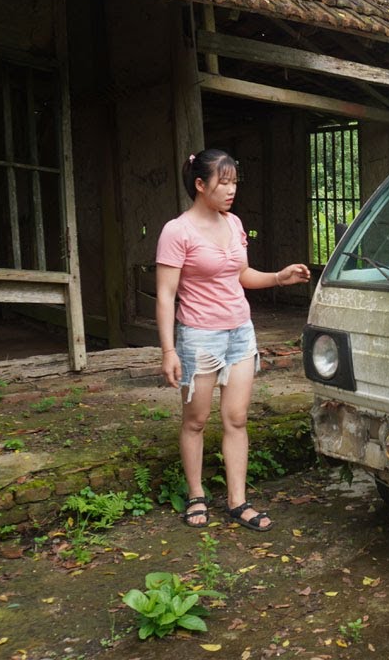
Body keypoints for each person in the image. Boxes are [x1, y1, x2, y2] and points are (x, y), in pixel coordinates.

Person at [155, 149, 310, 531]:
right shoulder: (178, 231)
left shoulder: (234, 223)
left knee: (237, 419)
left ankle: (237, 501)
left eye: (234, 182)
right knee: (196, 420)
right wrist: (168, 351)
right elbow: (164, 295)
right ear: (199, 184)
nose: (230, 190)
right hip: (199, 337)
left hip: (240, 331)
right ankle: (196, 495)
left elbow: (241, 275)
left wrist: (279, 277)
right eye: (223, 182)